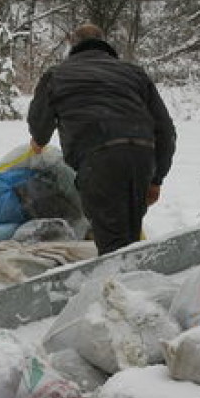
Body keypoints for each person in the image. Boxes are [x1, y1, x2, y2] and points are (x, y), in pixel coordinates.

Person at [27, 23, 175, 255]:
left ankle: (120, 285)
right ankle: (136, 282)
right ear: (105, 43)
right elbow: (165, 129)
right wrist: (156, 179)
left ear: (73, 45)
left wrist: (38, 142)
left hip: (98, 159)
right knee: (129, 237)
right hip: (141, 155)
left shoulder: (57, 75)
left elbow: (39, 123)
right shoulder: (133, 73)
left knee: (112, 246)